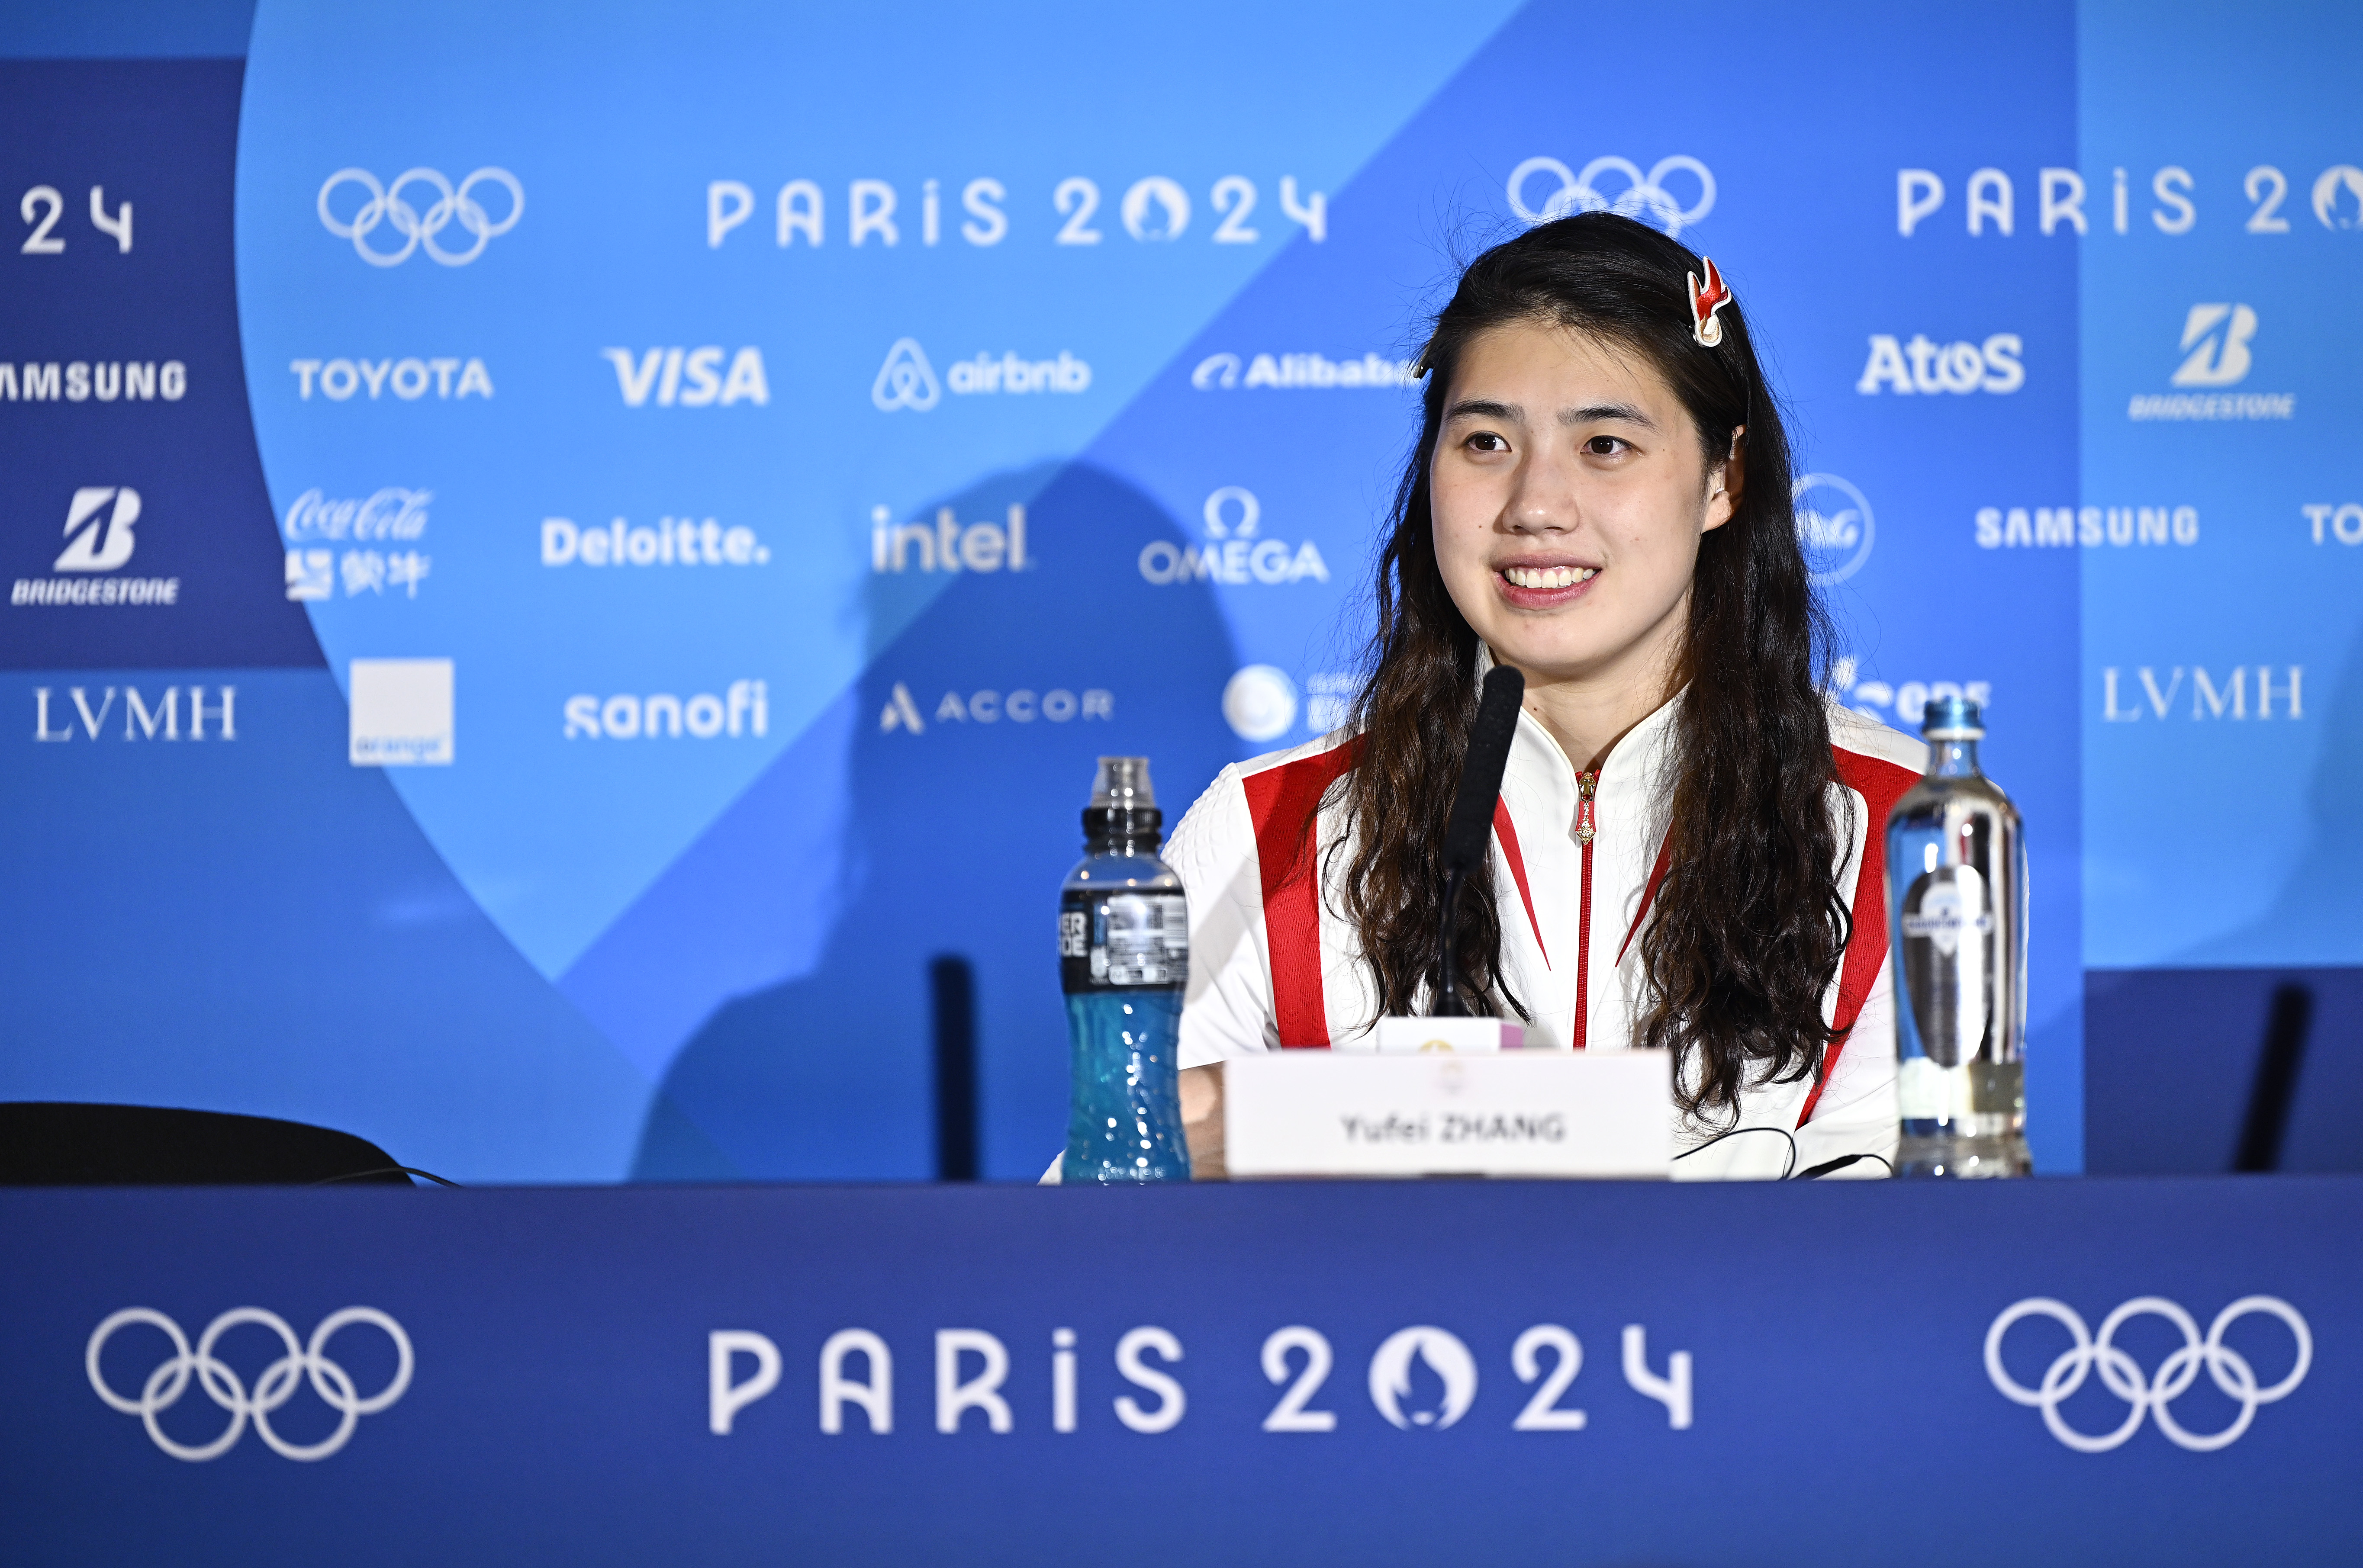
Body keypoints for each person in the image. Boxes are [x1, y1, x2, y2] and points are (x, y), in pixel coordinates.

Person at [1165, 212, 1924, 1180]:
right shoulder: (1261, 834)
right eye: (1486, 441)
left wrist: (1332, 1118)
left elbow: (1912, 1234)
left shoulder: (1911, 831)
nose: (1534, 506)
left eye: (1605, 445)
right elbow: (1109, 1225)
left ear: (1724, 479)